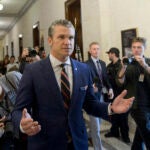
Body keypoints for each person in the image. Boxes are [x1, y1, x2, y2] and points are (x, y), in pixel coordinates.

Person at [12, 19, 134, 150]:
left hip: (78, 143)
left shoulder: (83, 69)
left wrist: (110, 108)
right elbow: (18, 110)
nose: (67, 42)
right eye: (61, 37)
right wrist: (22, 123)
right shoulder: (33, 71)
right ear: (50, 40)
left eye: (71, 37)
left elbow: (90, 103)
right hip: (46, 143)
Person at [118, 37, 150, 149]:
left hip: (148, 102)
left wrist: (145, 65)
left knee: (139, 135)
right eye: (134, 47)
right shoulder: (129, 64)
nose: (136, 50)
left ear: (144, 48)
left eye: (139, 47)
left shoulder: (148, 62)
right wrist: (123, 66)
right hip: (135, 104)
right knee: (147, 131)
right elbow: (120, 81)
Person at [85, 42, 113, 150]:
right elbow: (85, 80)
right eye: (94, 49)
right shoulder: (86, 64)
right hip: (92, 96)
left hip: (102, 95)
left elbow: (105, 78)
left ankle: (88, 135)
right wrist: (91, 88)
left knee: (99, 120)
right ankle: (98, 147)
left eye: (98, 49)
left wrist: (110, 88)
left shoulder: (102, 63)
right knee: (95, 124)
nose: (96, 51)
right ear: (90, 51)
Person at [105, 47, 130, 143]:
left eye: (109, 53)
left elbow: (122, 81)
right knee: (114, 115)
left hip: (121, 94)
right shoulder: (109, 66)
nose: (108, 55)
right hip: (112, 94)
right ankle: (114, 131)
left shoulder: (122, 64)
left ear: (113, 54)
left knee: (123, 116)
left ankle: (125, 136)